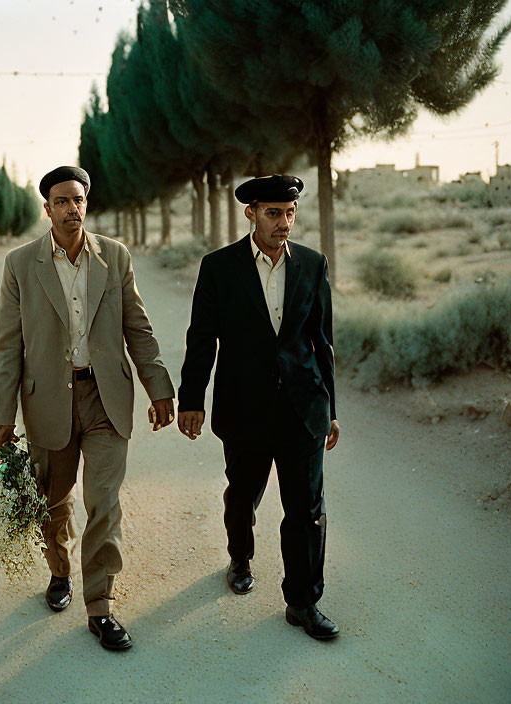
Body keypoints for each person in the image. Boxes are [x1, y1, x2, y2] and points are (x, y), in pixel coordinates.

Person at [0, 166, 175, 651]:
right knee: (54, 502)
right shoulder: (20, 264)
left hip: (105, 397)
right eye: (61, 201)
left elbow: (138, 326)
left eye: (79, 199)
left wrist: (159, 387)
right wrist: (4, 417)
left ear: (86, 203)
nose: (72, 208)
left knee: (104, 501)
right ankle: (59, 572)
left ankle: (100, 605)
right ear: (47, 208)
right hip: (47, 401)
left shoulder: (114, 257)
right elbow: (8, 346)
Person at [177, 174, 341, 640]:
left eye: (290, 213)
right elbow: (202, 338)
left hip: (302, 408)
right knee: (242, 495)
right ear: (251, 213)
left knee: (307, 509)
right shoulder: (219, 268)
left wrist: (329, 407)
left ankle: (303, 602)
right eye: (274, 213)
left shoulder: (312, 264)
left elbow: (322, 342)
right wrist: (191, 399)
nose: (284, 223)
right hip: (244, 409)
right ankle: (240, 556)